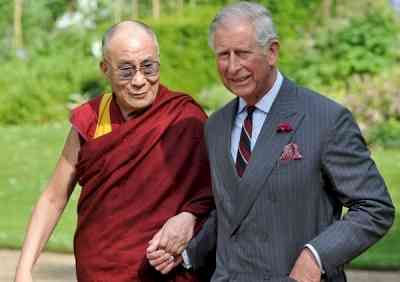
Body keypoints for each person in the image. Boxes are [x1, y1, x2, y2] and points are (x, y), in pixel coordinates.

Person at [147, 2, 395, 282]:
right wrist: (189, 252)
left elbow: (375, 208)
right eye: (222, 55)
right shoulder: (215, 126)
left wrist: (316, 256)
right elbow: (234, 211)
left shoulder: (326, 119)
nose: (232, 66)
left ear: (272, 51)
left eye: (242, 53)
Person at [15, 21, 214, 282]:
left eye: (148, 67)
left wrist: (189, 217)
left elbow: (216, 197)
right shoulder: (92, 119)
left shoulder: (185, 118)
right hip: (99, 271)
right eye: (126, 71)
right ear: (105, 70)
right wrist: (23, 269)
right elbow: (54, 197)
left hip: (165, 272)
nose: (139, 81)